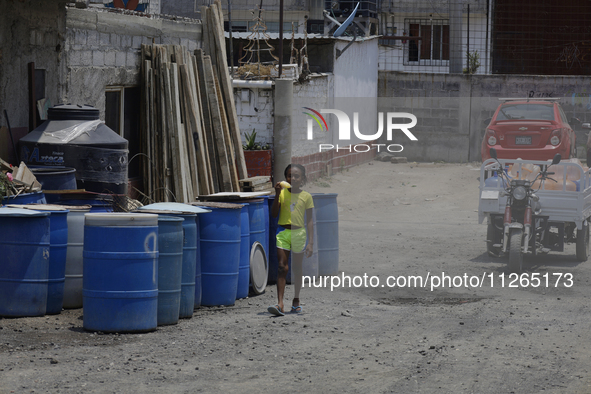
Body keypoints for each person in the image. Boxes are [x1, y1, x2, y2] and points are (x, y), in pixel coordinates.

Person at [267, 164, 314, 316]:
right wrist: (276, 194)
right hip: (283, 232)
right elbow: (274, 214)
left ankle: (296, 300)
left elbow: (310, 221)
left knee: (297, 269)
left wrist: (311, 243)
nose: (292, 178)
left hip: (299, 233)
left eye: (296, 176)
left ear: (303, 179)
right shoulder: (282, 194)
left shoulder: (306, 196)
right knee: (282, 267)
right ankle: (280, 304)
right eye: (289, 175)